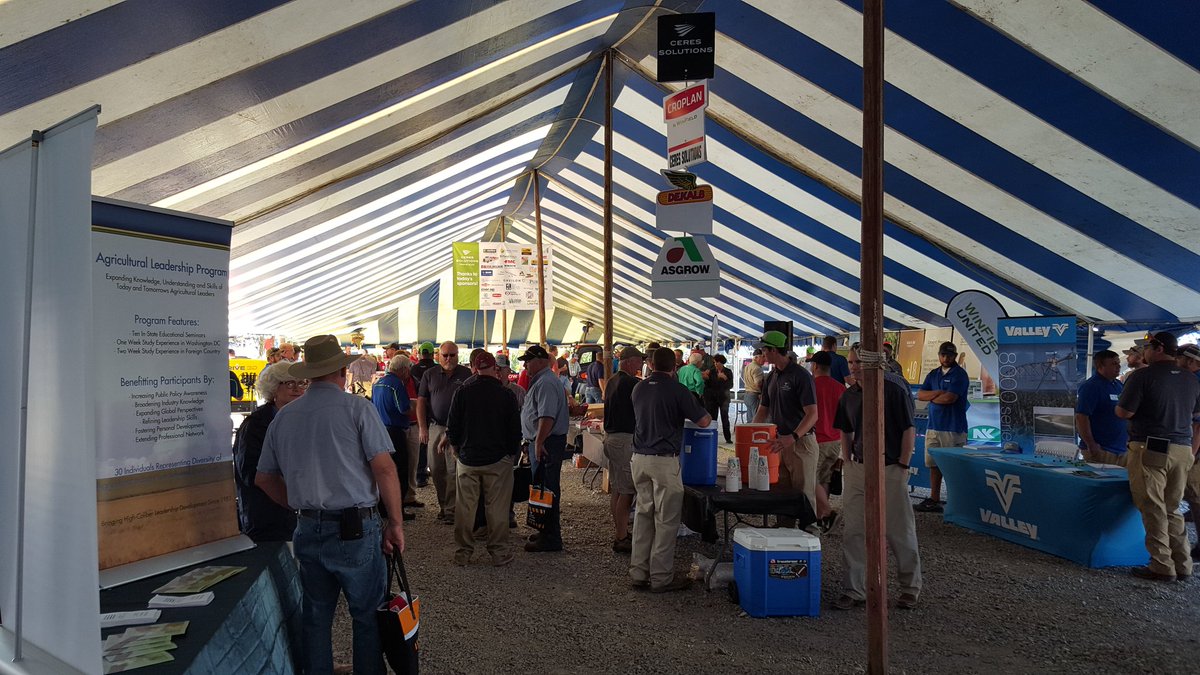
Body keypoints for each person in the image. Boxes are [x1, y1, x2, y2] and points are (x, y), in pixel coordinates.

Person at [255, 335, 405, 675]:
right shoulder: (357, 408)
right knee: (366, 616)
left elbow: (263, 479)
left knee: (316, 617)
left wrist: (297, 506)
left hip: (309, 526)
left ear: (309, 373)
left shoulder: (285, 416)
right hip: (356, 528)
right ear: (341, 371)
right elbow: (384, 468)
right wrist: (395, 523)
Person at [831, 345, 922, 610]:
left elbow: (908, 428)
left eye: (858, 361)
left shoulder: (893, 390)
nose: (853, 366)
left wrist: (904, 464)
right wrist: (847, 462)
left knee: (898, 529)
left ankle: (910, 587)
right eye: (850, 362)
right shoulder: (849, 396)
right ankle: (855, 588)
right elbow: (845, 431)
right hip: (858, 468)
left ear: (873, 363)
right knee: (854, 531)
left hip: (890, 466)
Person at [1115, 332, 1200, 581]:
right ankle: (1183, 563)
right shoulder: (1191, 379)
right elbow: (1195, 414)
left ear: (1159, 348)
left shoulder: (1142, 376)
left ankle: (1161, 564)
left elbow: (1124, 412)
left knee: (1152, 505)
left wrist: (1118, 408)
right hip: (1183, 449)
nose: (1143, 354)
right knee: (1172, 507)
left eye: (1147, 348)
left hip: (1150, 447)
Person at [629, 347, 711, 592]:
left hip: (639, 457)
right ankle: (661, 577)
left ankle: (638, 572)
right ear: (674, 367)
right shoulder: (678, 390)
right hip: (664, 459)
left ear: (651, 365)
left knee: (643, 515)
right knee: (666, 520)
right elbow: (705, 421)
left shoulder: (638, 388)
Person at [446, 351, 521, 566]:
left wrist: (456, 449)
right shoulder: (506, 394)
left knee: (464, 509)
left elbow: (453, 426)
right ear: (495, 369)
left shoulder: (462, 392)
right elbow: (515, 430)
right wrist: (510, 453)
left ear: (475, 368)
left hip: (468, 459)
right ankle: (498, 553)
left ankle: (463, 553)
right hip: (498, 460)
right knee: (497, 508)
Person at [752, 331, 819, 520]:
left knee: (804, 495)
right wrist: (751, 433)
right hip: (778, 443)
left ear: (774, 350)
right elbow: (763, 409)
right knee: (782, 493)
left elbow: (813, 414)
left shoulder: (801, 375)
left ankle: (810, 537)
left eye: (764, 349)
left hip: (802, 443)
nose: (762, 353)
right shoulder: (771, 376)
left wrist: (793, 436)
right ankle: (784, 533)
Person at [233, 363, 304, 542]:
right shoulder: (256, 424)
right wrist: (293, 503)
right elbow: (251, 473)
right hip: (267, 517)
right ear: (273, 388)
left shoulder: (302, 420)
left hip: (295, 516)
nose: (297, 389)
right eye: (289, 383)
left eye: (302, 383)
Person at [519, 345, 570, 552]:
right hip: (542, 442)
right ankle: (545, 530)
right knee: (542, 488)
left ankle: (550, 536)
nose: (525, 365)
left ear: (540, 360)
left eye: (528, 361)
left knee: (547, 489)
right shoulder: (543, 380)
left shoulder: (547, 382)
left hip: (547, 443)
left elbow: (546, 416)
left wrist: (539, 442)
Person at [417, 341, 471, 523]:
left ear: (458, 355)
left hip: (457, 429)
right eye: (445, 355)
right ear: (437, 356)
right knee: (437, 469)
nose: (448, 358)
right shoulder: (429, 374)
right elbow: (421, 402)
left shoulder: (466, 374)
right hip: (435, 426)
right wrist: (423, 428)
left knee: (454, 470)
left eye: (452, 355)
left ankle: (451, 510)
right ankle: (444, 506)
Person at [914, 341, 969, 513]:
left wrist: (932, 396)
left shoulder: (960, 375)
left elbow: (949, 399)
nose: (946, 358)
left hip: (953, 427)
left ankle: (957, 501)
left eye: (950, 355)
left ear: (954, 356)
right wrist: (937, 394)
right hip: (934, 426)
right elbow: (920, 395)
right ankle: (934, 498)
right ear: (939, 355)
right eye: (943, 355)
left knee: (953, 467)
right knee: (933, 465)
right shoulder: (933, 374)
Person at [603, 346, 644, 553]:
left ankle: (620, 530)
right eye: (639, 361)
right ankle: (621, 537)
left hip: (611, 438)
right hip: (624, 440)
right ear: (628, 361)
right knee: (627, 490)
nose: (641, 365)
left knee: (618, 488)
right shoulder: (630, 383)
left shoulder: (611, 381)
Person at [373, 355, 415, 521]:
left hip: (381, 430)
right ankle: (399, 510)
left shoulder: (378, 383)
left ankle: (383, 507)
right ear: (404, 369)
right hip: (396, 432)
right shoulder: (396, 384)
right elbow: (403, 409)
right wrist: (416, 405)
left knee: (385, 471)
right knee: (400, 471)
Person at [808, 351, 846, 528]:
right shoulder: (840, 387)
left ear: (814, 366)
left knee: (810, 477)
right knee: (825, 478)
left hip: (817, 439)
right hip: (836, 440)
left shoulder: (811, 386)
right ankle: (820, 516)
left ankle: (827, 512)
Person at [1075, 350, 1127, 466]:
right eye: (1113, 364)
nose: (1118, 367)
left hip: (1121, 448)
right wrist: (1091, 444)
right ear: (1100, 366)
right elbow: (1081, 417)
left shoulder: (1119, 385)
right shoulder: (1091, 387)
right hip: (1101, 449)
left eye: (1118, 363)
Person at [1175, 344, 1200, 560]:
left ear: (1191, 361)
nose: (1176, 362)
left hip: (1194, 449)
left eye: (1179, 359)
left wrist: (1190, 455)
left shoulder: (1195, 381)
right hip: (1191, 447)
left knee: (1196, 497)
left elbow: (1198, 424)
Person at [410, 341, 439, 487]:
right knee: (435, 441)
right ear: (433, 354)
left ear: (420, 353)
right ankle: (437, 470)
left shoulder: (413, 369)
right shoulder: (437, 369)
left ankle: (420, 474)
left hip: (418, 408)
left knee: (421, 440)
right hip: (435, 410)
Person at [703, 354, 735, 443]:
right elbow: (709, 385)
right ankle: (711, 436)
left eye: (717, 362)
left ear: (722, 363)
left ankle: (728, 438)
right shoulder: (711, 371)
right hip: (713, 399)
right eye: (715, 362)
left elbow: (730, 385)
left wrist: (724, 378)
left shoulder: (728, 372)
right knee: (713, 418)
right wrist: (711, 378)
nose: (716, 364)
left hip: (724, 398)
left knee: (725, 418)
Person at [742, 349, 765, 419]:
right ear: (756, 357)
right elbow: (758, 383)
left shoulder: (747, 367)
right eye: (763, 357)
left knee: (750, 419)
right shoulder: (757, 368)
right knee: (757, 419)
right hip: (755, 395)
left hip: (747, 395)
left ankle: (749, 430)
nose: (765, 359)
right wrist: (762, 393)